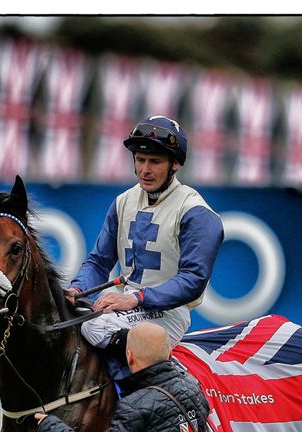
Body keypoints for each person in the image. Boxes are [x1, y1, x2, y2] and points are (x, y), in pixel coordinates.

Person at [65, 114, 224, 379]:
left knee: (93, 327)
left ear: (175, 164)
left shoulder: (196, 213)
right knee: (70, 320)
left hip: (167, 313)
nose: (145, 170)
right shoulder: (122, 202)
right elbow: (98, 262)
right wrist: (76, 289)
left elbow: (193, 279)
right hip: (126, 306)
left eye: (155, 162)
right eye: (140, 160)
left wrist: (135, 299)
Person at [35, 322, 209, 432]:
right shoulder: (193, 387)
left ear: (129, 356)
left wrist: (50, 425)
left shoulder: (133, 407)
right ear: (170, 354)